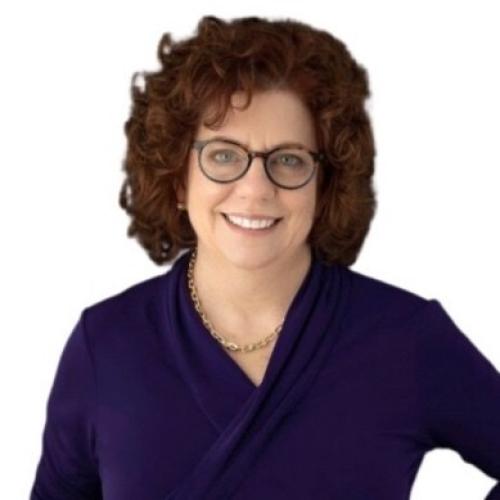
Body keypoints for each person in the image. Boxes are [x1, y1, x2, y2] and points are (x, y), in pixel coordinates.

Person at [29, 15, 500, 500]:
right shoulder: (107, 344)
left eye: (289, 159)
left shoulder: (406, 339)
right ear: (177, 178)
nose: (255, 189)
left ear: (325, 185)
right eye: (224, 155)